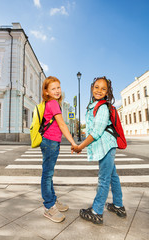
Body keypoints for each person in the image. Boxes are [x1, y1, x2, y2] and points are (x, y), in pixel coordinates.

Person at [72, 76, 127, 225]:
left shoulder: (102, 107)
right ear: (92, 88)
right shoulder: (94, 105)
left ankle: (97, 212)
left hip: (107, 147)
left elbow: (96, 132)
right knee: (112, 176)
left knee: (103, 179)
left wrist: (80, 147)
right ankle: (118, 205)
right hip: (106, 147)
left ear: (108, 92)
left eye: (103, 89)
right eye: (97, 87)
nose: (99, 90)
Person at [40, 76, 77, 223]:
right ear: (47, 92)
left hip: (51, 142)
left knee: (49, 173)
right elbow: (62, 124)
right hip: (50, 142)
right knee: (47, 174)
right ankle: (49, 207)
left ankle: (53, 200)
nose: (57, 91)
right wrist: (73, 143)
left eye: (58, 87)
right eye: (53, 88)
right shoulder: (53, 103)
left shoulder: (51, 103)